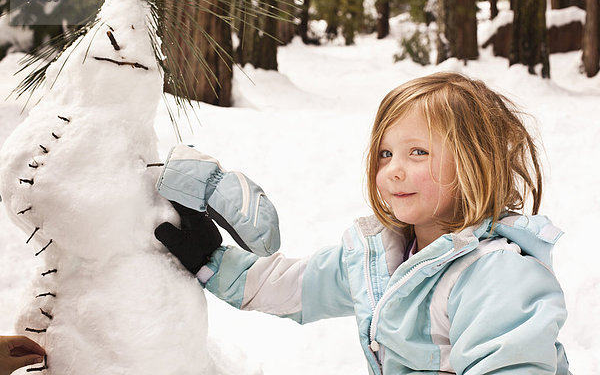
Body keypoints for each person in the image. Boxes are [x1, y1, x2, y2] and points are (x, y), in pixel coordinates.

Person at [154, 72, 570, 374]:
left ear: (474, 164)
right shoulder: (380, 257)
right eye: (386, 154)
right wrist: (211, 258)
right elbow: (297, 285)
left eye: (418, 152)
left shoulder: (497, 276)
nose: (393, 170)